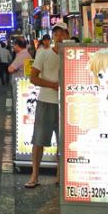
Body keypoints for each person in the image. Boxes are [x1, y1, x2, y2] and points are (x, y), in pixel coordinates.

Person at [24, 22, 69, 188]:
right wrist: (52, 85)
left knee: (64, 142)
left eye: (63, 33)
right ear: (53, 36)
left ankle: (60, 175)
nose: (60, 36)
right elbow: (33, 78)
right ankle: (34, 175)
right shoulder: (43, 54)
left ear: (68, 35)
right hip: (46, 102)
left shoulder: (72, 54)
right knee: (39, 140)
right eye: (56, 33)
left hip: (67, 104)